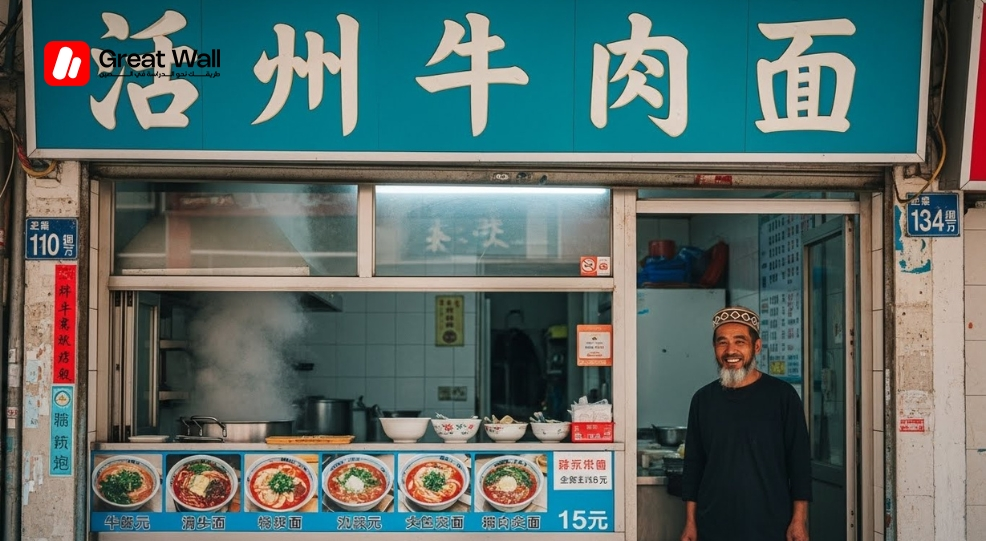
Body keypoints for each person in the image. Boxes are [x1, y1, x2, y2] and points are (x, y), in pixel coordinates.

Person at [679, 306, 811, 541]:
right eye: (722, 342)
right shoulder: (702, 400)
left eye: (740, 342)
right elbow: (693, 466)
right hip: (713, 523)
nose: (731, 351)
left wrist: (799, 520)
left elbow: (799, 463)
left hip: (771, 523)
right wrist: (690, 522)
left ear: (756, 347)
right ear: (714, 348)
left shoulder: (782, 396)